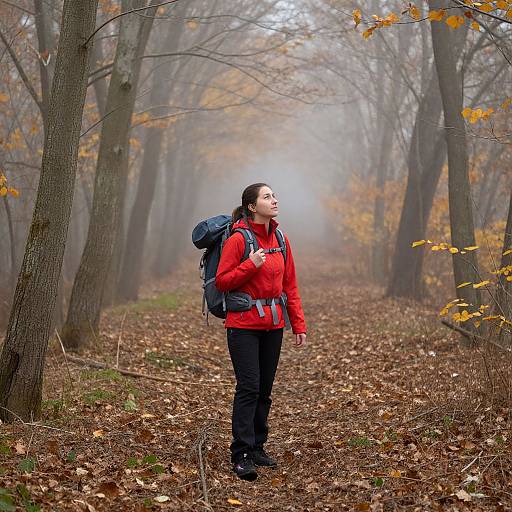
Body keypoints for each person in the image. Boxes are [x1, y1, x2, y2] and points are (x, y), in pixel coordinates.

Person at [215, 182, 307, 481]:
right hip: (243, 327)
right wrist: (250, 265)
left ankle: (257, 446)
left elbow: (290, 285)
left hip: (273, 325)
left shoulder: (280, 238)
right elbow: (222, 281)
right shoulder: (238, 240)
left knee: (265, 390)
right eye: (267, 197)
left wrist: (298, 324)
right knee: (249, 387)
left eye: (274, 195)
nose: (275, 200)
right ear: (252, 207)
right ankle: (240, 453)